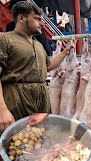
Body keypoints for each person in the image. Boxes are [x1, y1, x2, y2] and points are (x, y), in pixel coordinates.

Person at [0, 2, 72, 132]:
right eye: (37, 19)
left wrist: (64, 53)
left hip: (41, 98)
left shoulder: (37, 44)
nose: (42, 23)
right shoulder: (5, 39)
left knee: (41, 139)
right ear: (21, 18)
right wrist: (2, 110)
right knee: (15, 140)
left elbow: (47, 66)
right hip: (16, 99)